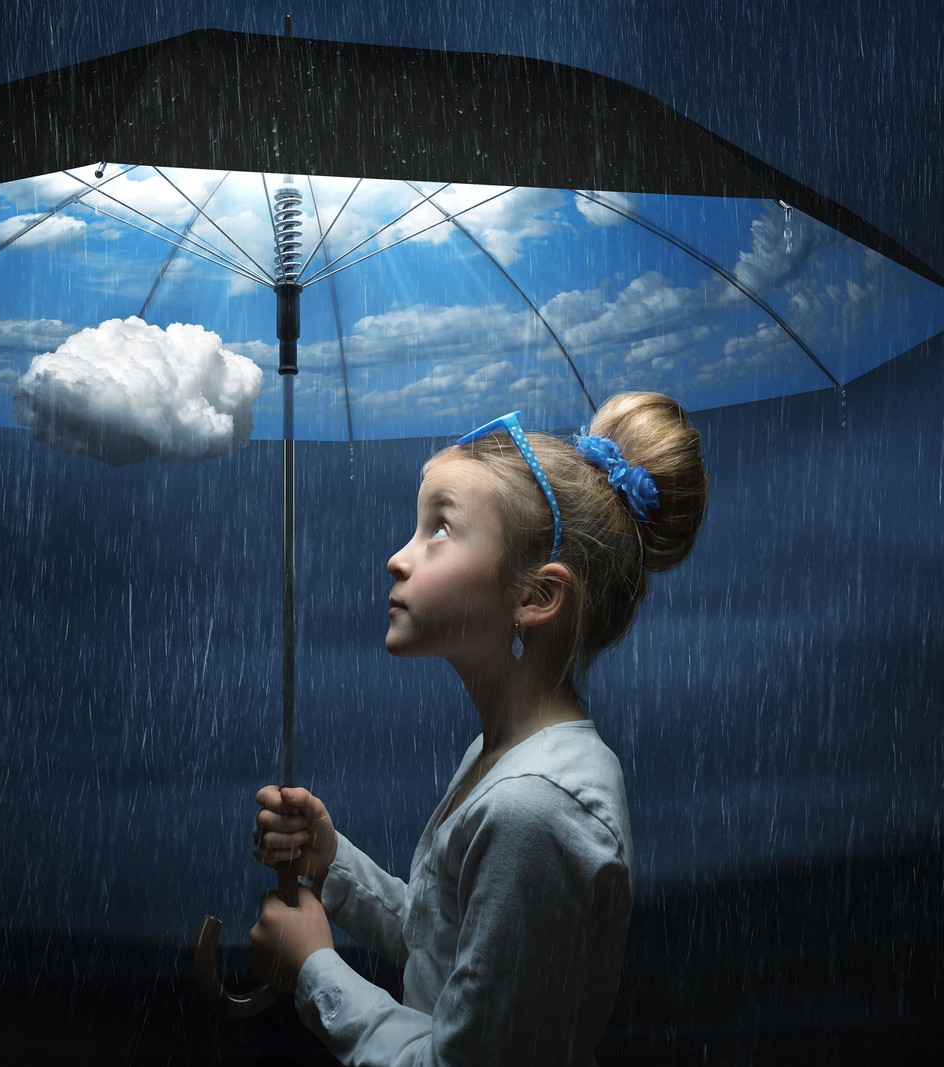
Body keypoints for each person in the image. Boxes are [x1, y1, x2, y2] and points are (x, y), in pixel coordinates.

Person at [247, 392, 710, 1065]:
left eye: (439, 528)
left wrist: (314, 966)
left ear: (535, 596)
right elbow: (446, 944)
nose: (397, 558)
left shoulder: (536, 809)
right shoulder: (505, 757)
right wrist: (332, 862)